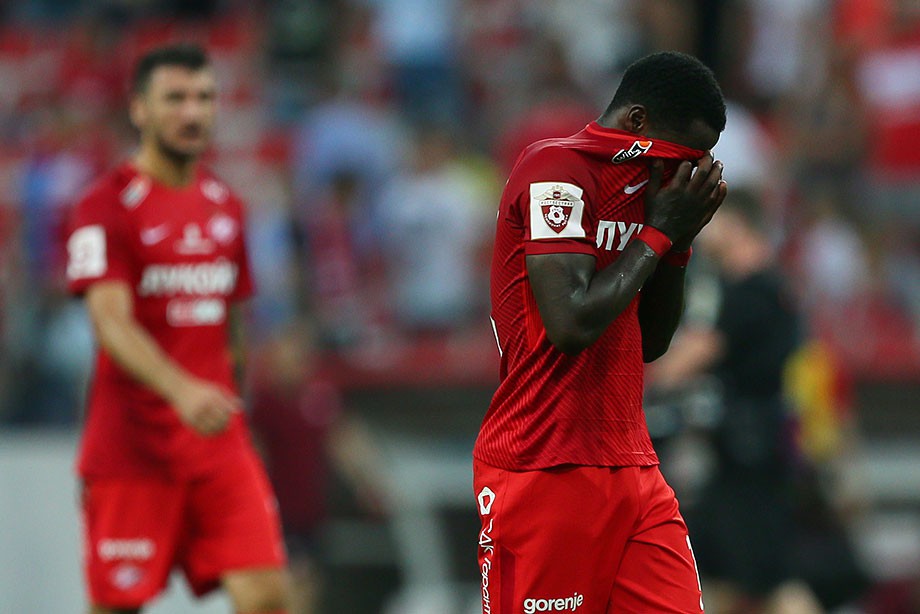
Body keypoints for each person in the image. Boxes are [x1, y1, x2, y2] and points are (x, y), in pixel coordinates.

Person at [473, 51, 728, 614]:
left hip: (632, 463)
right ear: (637, 122)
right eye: (685, 155)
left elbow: (652, 343)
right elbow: (570, 324)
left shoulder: (650, 192)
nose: (690, 173)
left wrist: (677, 242)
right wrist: (658, 233)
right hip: (543, 462)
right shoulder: (556, 170)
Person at [64, 44, 290, 614]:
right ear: (139, 109)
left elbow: (231, 325)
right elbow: (109, 322)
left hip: (217, 446)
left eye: (204, 98)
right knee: (119, 605)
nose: (192, 113)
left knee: (267, 596)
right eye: (175, 99)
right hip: (132, 449)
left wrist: (238, 412)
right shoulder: (104, 207)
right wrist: (182, 390)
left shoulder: (226, 206)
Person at [648, 189, 867, 613]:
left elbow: (684, 363)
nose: (706, 234)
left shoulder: (753, 290)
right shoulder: (769, 287)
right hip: (738, 456)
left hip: (749, 458)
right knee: (714, 578)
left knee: (773, 582)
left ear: (737, 226)